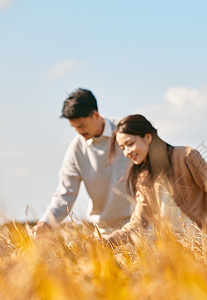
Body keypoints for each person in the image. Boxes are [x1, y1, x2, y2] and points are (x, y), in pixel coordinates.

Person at [105, 114, 207, 243]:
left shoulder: (186, 156)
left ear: (147, 137)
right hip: (194, 240)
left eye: (129, 144)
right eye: (122, 148)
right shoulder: (144, 180)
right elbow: (138, 223)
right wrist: (106, 243)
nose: (127, 152)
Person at [32, 88, 134, 235]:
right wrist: (46, 223)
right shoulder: (76, 149)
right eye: (74, 128)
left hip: (140, 228)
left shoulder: (127, 132)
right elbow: (65, 194)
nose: (79, 132)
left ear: (96, 115)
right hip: (104, 233)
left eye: (81, 126)